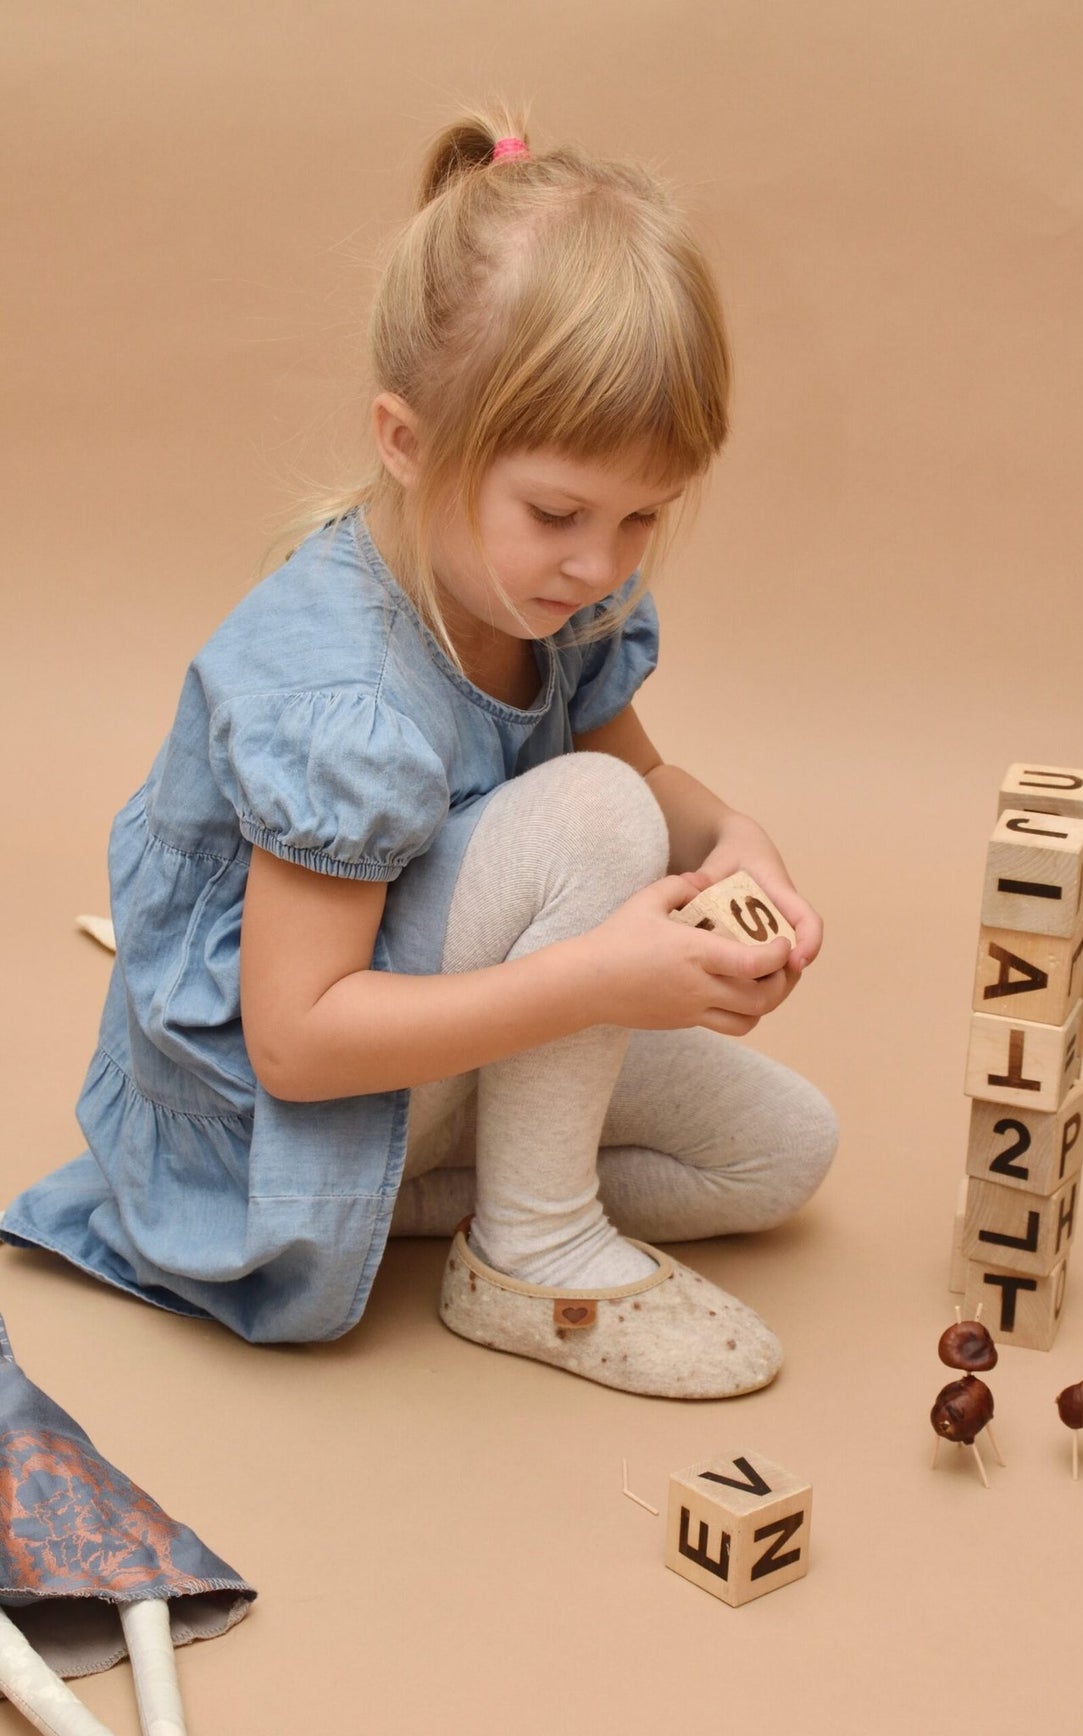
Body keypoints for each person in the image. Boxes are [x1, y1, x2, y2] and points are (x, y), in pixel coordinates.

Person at [1, 111, 837, 1398]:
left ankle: (439, 1203)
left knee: (782, 1152)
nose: (602, 563)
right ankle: (530, 1248)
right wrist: (601, 978)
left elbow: (650, 774)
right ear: (406, 441)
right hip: (282, 1113)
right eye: (558, 512)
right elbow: (295, 1039)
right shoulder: (344, 687)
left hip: (437, 1046)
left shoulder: (555, 597)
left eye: (642, 517)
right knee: (594, 814)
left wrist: (738, 841)